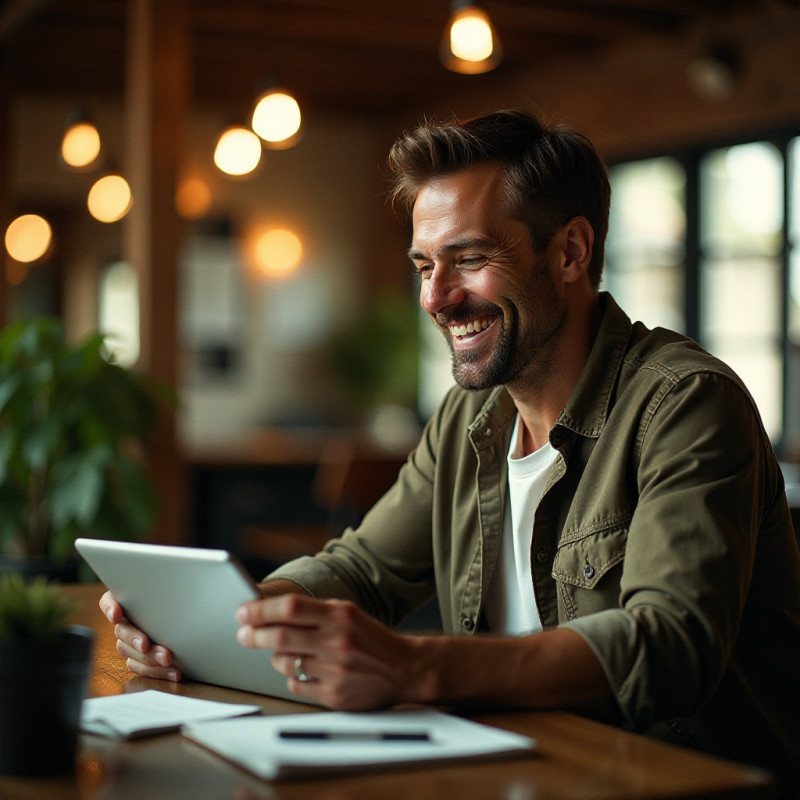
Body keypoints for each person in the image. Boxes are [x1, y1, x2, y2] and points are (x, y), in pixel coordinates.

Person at [100, 110, 800, 787]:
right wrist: (232, 621)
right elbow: (365, 568)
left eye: (469, 259)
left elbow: (668, 644)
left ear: (571, 252)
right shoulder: (470, 417)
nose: (436, 298)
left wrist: (417, 665)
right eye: (423, 265)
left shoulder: (685, 404)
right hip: (525, 768)